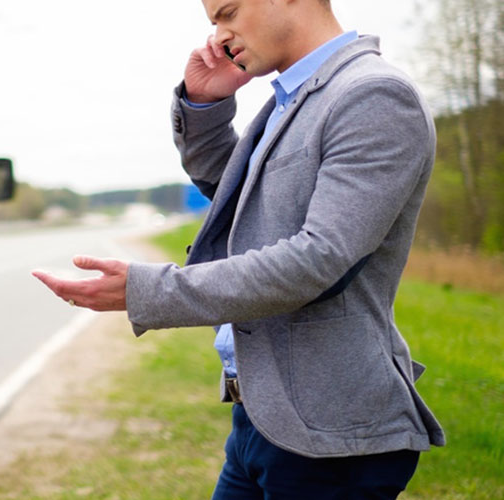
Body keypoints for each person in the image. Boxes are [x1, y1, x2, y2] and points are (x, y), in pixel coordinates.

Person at [32, 0, 445, 498]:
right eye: (213, 23)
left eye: (227, 13)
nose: (219, 36)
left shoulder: (373, 95)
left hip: (330, 437)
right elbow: (241, 201)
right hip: (263, 420)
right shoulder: (294, 97)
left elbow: (317, 261)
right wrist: (205, 106)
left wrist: (149, 290)